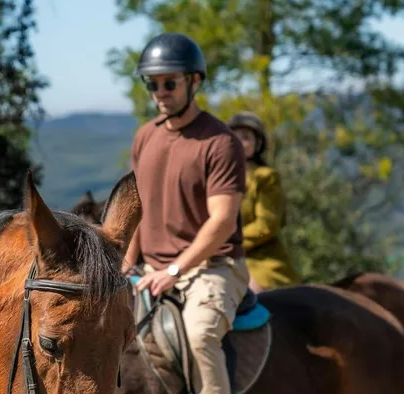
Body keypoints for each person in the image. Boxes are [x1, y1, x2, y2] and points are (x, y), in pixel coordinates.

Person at [122, 33, 251, 394]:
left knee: (200, 336)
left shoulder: (220, 142)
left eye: (169, 83)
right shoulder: (144, 136)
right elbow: (135, 210)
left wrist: (174, 270)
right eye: (152, 83)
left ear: (194, 81)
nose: (160, 91)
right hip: (149, 269)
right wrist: (124, 262)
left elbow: (223, 221)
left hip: (212, 269)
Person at [226, 111, 301, 293]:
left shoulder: (266, 178)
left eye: (246, 138)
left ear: (257, 144)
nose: (239, 142)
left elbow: (266, 227)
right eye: (234, 137)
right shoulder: (216, 178)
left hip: (258, 261)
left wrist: (229, 243)